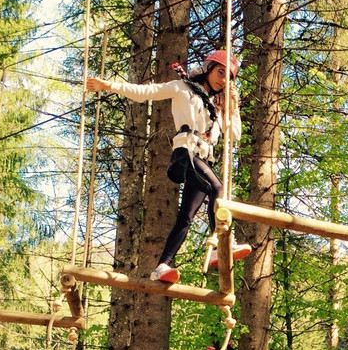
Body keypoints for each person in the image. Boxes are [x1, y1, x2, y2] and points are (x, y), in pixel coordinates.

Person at [86, 50, 251, 284]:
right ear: (208, 68)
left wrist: (233, 107)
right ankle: (221, 244)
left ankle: (162, 266)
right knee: (218, 189)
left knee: (186, 218)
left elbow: (234, 135)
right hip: (185, 154)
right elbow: (145, 92)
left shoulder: (217, 105)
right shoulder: (181, 88)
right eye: (220, 72)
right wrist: (109, 85)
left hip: (202, 160)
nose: (222, 79)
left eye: (227, 77)